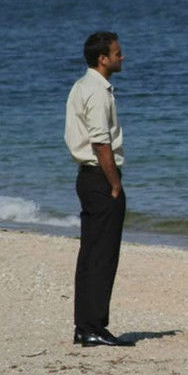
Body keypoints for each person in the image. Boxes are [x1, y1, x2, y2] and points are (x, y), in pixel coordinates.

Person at [64, 31, 133, 347]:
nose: (122, 57)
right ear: (103, 58)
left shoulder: (83, 85)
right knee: (102, 255)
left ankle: (87, 324)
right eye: (117, 53)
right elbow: (100, 141)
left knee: (92, 253)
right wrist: (115, 183)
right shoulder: (96, 91)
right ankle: (92, 325)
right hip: (99, 177)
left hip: (89, 177)